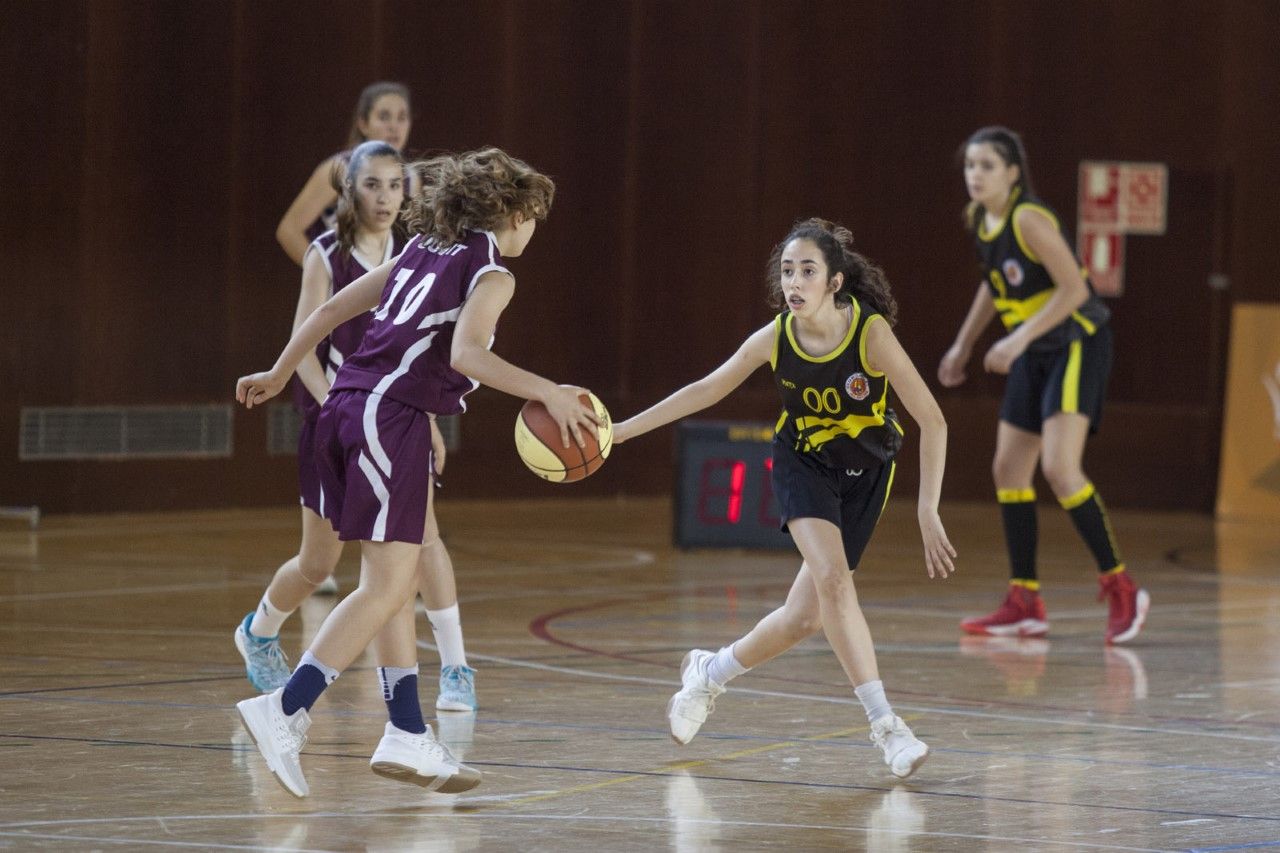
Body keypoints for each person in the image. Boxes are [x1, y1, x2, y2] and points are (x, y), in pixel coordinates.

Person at [234, 147, 599, 798]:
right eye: (535, 216)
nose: (534, 230)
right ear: (514, 212)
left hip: (345, 409)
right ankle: (285, 709)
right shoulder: (491, 273)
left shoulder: (423, 249)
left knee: (392, 582)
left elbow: (325, 315)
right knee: (385, 586)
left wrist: (279, 370)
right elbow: (468, 353)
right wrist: (551, 392)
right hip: (389, 417)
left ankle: (405, 729)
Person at [613, 218, 956, 780]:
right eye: (787, 271)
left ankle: (709, 672)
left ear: (835, 282)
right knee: (834, 580)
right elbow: (705, 389)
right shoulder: (775, 337)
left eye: (808, 271)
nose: (794, 281)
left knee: (804, 619)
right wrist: (624, 430)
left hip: (866, 472)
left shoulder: (869, 336)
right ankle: (887, 725)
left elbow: (934, 421)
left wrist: (927, 507)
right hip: (804, 462)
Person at [233, 140, 480, 713]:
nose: (386, 197)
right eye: (373, 185)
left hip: (393, 417)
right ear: (349, 191)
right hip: (338, 418)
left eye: (396, 185)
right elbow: (310, 343)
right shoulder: (325, 255)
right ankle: (260, 629)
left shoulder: (415, 250)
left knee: (421, 539)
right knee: (319, 563)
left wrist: (428, 420)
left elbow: (420, 353)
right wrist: (337, 401)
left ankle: (456, 670)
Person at [938, 126, 1149, 644]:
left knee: (1059, 467)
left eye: (987, 165)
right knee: (1009, 467)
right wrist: (964, 345)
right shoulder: (981, 221)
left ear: (1013, 173)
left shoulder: (1028, 218)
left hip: (1076, 340)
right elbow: (994, 286)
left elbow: (1077, 289)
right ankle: (1024, 600)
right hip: (1033, 347)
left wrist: (1017, 340)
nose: (976, 174)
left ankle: (1122, 586)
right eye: (970, 165)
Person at [276, 81, 413, 267]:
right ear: (363, 124)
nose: (394, 126)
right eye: (384, 117)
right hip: (343, 285)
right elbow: (289, 230)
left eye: (402, 118)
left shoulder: (411, 177)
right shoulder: (339, 168)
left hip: (383, 290)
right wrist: (326, 278)